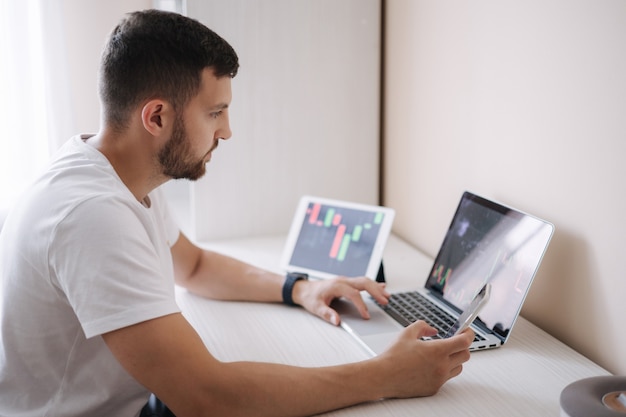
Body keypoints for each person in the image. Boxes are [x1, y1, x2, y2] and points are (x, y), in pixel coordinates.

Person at [0, 9, 473, 417]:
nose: (227, 131)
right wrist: (384, 376)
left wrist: (301, 288)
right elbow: (206, 399)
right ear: (157, 117)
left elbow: (196, 266)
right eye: (215, 112)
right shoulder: (92, 214)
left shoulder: (116, 170)